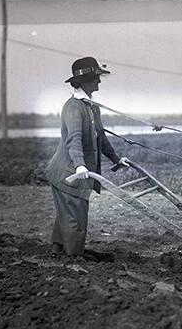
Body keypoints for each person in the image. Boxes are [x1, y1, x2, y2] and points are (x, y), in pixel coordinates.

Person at [45, 56, 129, 256]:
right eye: (96, 78)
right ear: (85, 81)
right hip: (67, 172)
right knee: (76, 215)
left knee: (68, 213)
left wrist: (116, 159)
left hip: (73, 170)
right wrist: (80, 166)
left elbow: (101, 137)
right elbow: (73, 139)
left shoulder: (91, 107)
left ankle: (58, 249)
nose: (99, 81)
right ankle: (74, 257)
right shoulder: (74, 107)